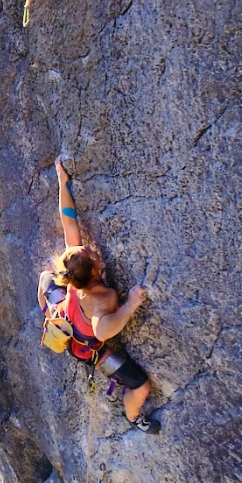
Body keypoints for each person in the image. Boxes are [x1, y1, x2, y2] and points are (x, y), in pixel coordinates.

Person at [37, 155, 161, 433]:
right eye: (90, 253)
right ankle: (135, 418)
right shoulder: (103, 299)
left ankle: (50, 315)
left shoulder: (72, 274)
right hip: (87, 349)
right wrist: (130, 304)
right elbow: (103, 331)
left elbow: (69, 222)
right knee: (141, 386)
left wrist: (62, 180)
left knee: (45, 278)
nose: (89, 249)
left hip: (65, 317)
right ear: (94, 271)